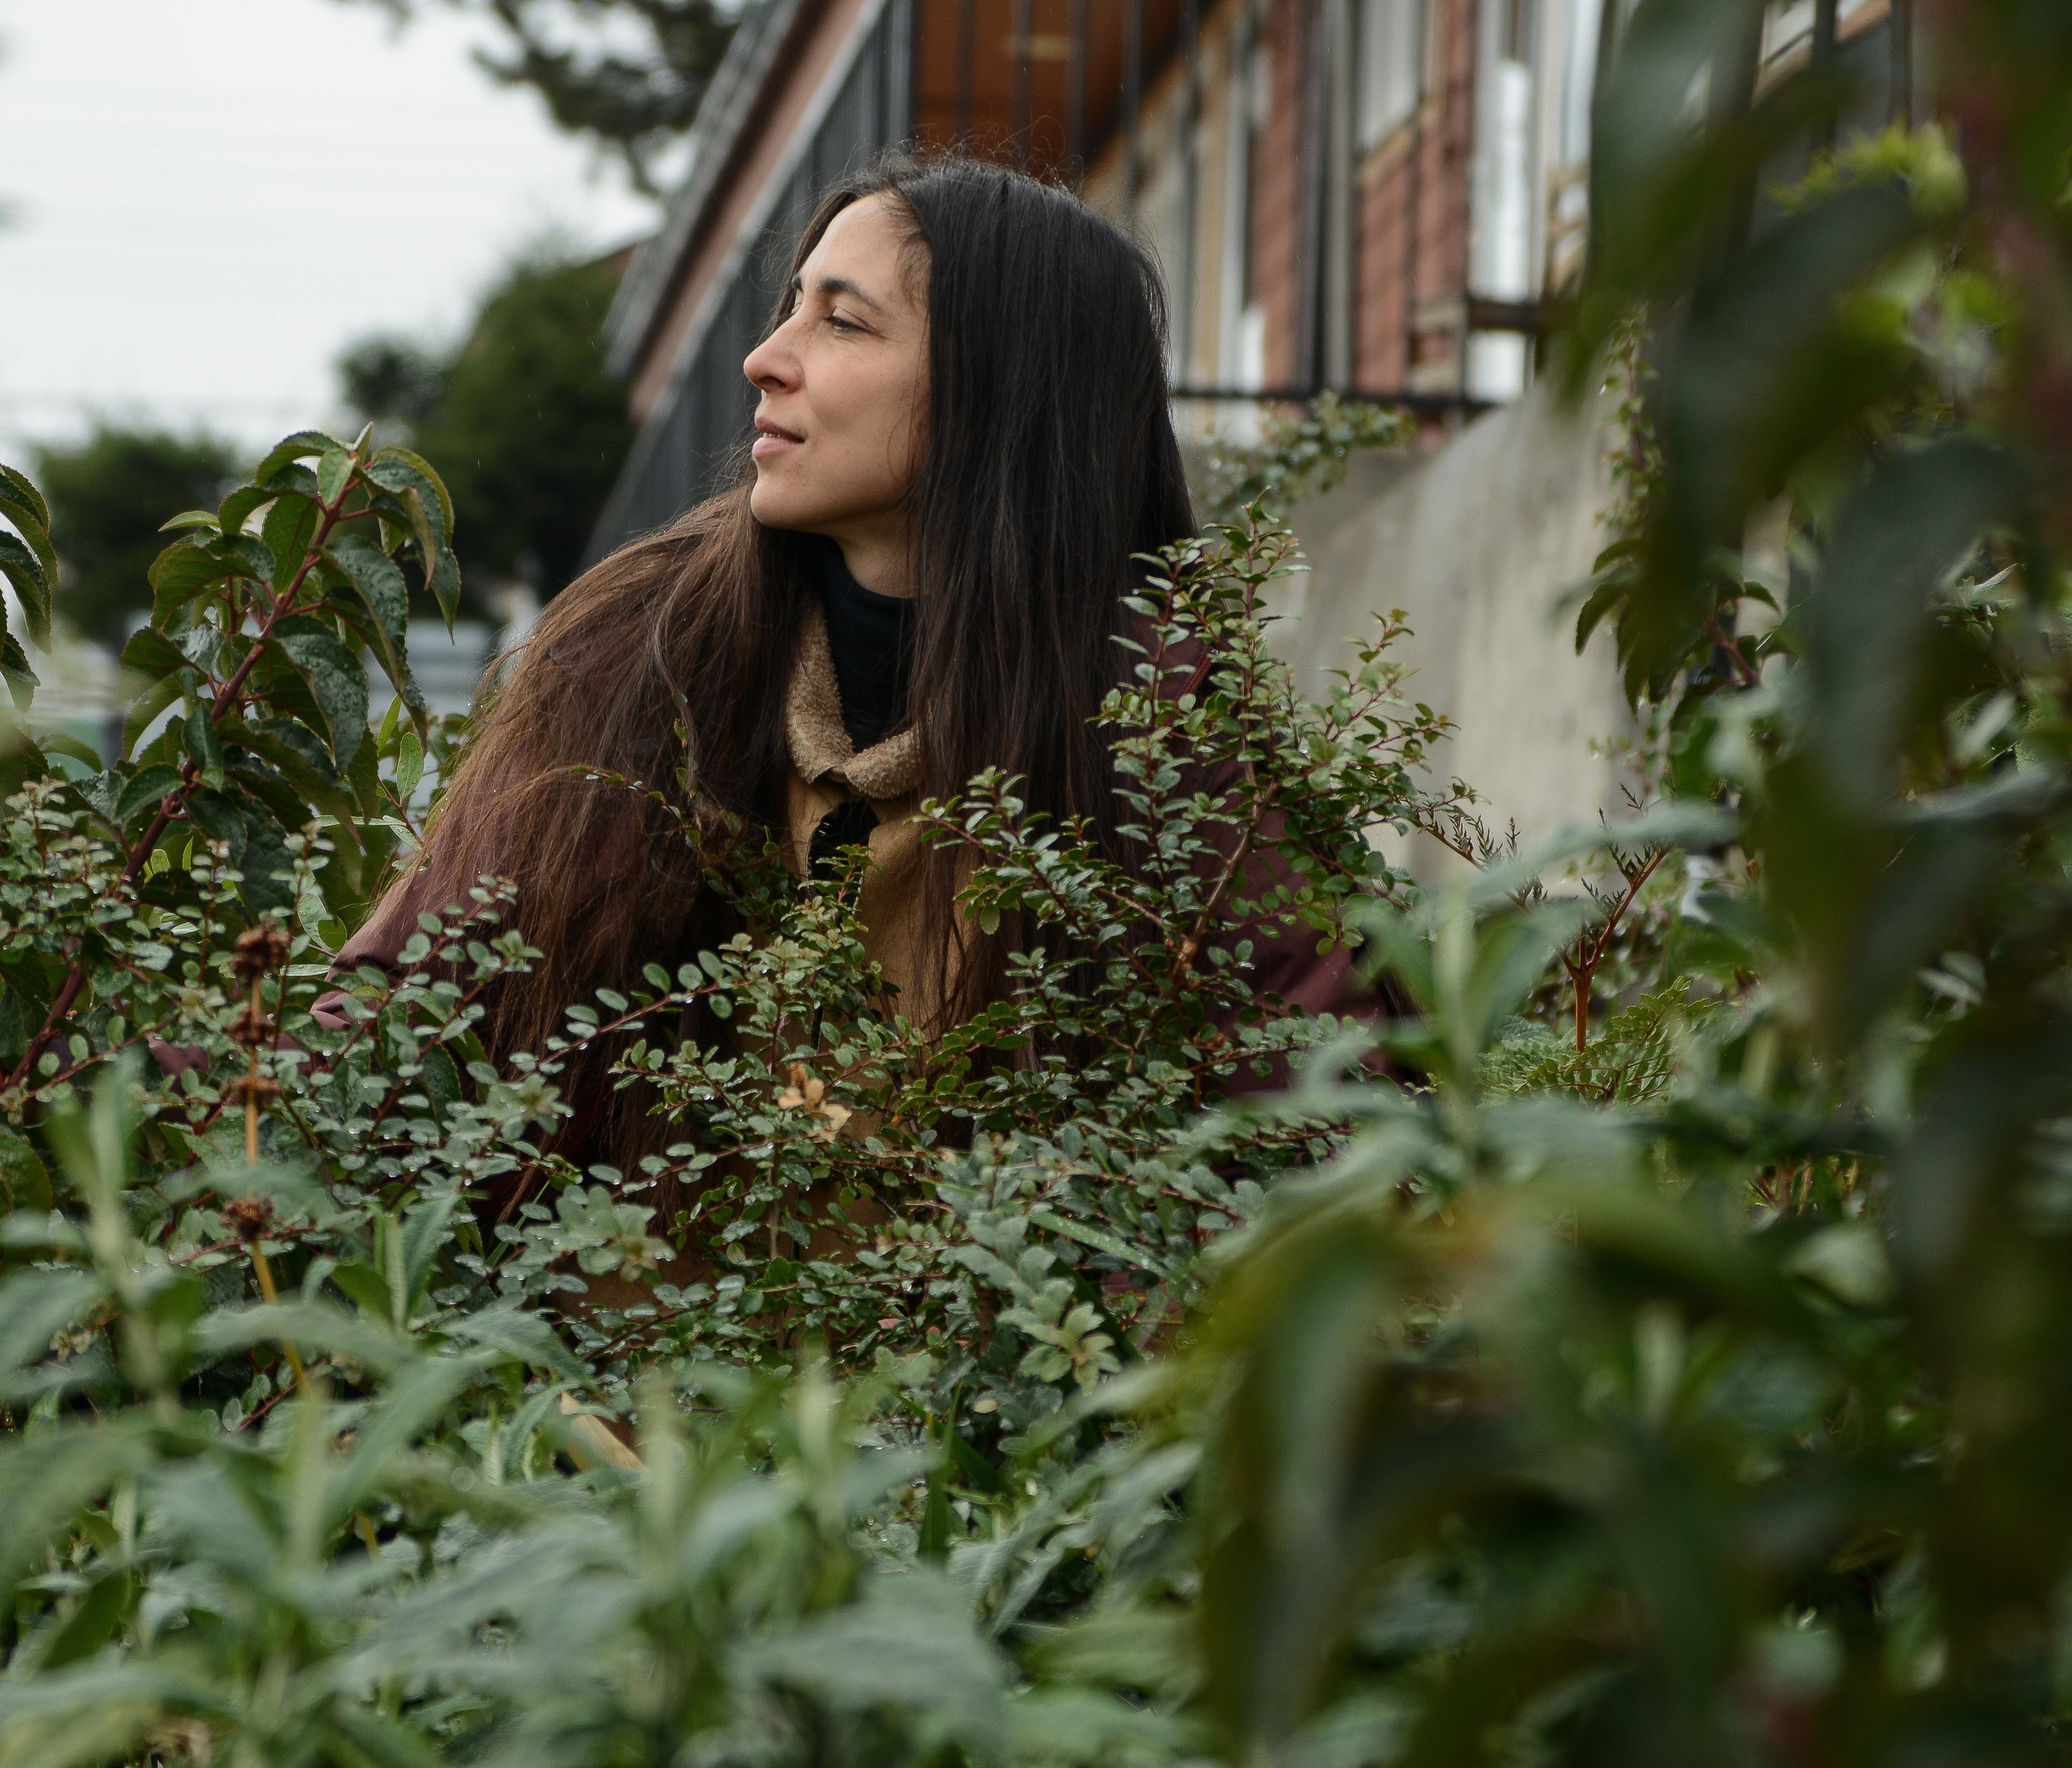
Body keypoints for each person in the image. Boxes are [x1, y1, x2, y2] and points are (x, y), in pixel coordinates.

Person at [324, 152, 1369, 1164]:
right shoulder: (638, 651)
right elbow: (399, 1007)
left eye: (842, 320)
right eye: (793, 305)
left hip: (1023, 1341)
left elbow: (1323, 1144)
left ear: (994, 390)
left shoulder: (1161, 730)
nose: (766, 356)